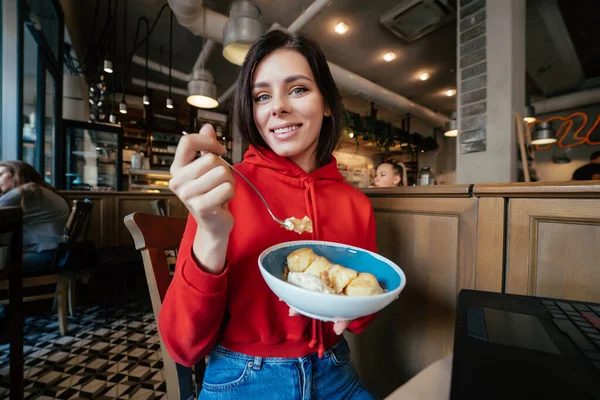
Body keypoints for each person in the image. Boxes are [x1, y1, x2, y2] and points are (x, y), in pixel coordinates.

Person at [160, 30, 378, 399]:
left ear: (326, 103)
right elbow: (183, 346)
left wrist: (358, 306)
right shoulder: (223, 188)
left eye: (297, 89)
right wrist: (211, 234)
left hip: (336, 373)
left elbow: (359, 315)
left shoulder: (356, 203)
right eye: (262, 96)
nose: (277, 106)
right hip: (243, 376)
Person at [0, 161, 70, 276]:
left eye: (1, 175)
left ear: (17, 173)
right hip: (56, 253)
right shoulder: (40, 190)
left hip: (45, 256)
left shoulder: (26, 191)